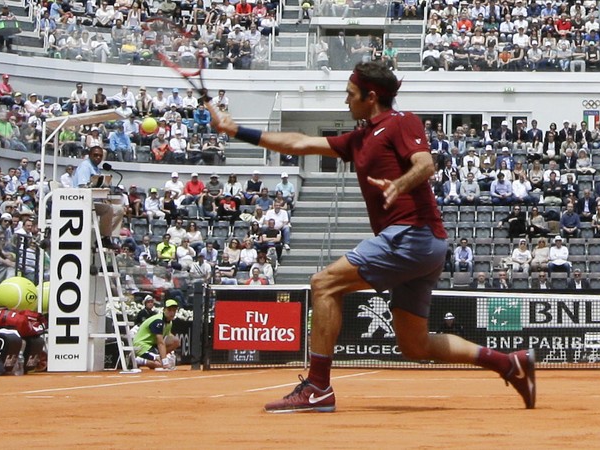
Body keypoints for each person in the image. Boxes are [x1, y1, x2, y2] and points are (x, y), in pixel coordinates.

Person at [206, 59, 536, 413]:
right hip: (422, 245)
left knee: (324, 284)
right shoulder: (358, 139)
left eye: (350, 94)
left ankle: (317, 387)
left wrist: (399, 183)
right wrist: (235, 129)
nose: (345, 101)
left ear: (371, 96)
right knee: (415, 345)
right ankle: (509, 363)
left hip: (412, 235)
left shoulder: (400, 122)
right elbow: (299, 142)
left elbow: (425, 164)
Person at [131, 299, 183, 370]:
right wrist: (165, 362)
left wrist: (172, 352)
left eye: (174, 310)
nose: (172, 313)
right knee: (160, 365)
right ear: (164, 310)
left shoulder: (169, 322)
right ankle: (137, 360)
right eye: (169, 310)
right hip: (141, 346)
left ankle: (156, 359)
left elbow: (169, 337)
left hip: (151, 346)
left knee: (176, 341)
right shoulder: (158, 321)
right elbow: (160, 342)